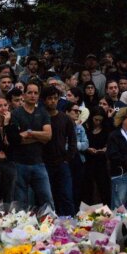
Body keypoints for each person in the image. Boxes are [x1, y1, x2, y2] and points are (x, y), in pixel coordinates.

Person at [10, 82, 53, 212]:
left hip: (38, 162)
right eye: (30, 92)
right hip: (19, 163)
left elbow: (48, 136)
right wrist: (39, 138)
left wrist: (30, 133)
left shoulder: (43, 112)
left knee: (47, 199)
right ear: (24, 95)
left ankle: (51, 227)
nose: (33, 95)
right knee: (21, 202)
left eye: (35, 93)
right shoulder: (16, 113)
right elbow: (16, 140)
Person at [42, 87, 77, 215]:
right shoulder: (40, 116)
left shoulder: (65, 118)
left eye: (55, 98)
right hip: (44, 163)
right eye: (50, 98)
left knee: (66, 195)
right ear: (44, 100)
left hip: (62, 162)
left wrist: (68, 158)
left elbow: (73, 140)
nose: (53, 101)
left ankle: (69, 224)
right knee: (48, 197)